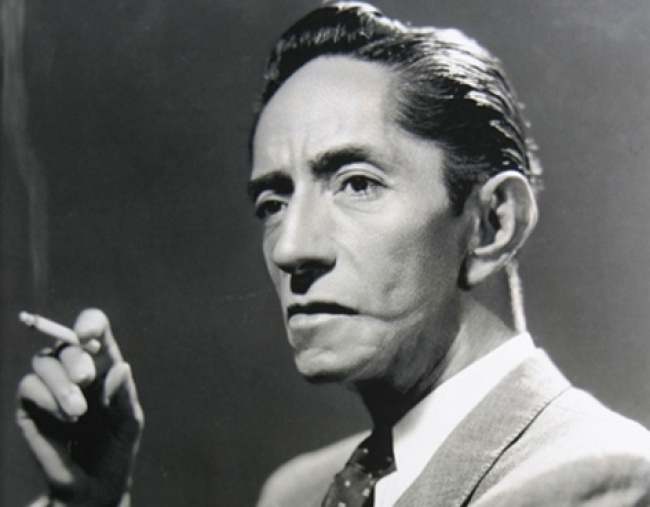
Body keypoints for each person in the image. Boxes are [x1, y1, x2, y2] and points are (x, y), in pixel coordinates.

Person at [15, 2, 650, 506]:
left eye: (357, 184)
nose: (292, 248)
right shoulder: (295, 492)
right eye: (273, 203)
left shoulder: (597, 481)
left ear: (492, 224)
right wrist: (88, 502)